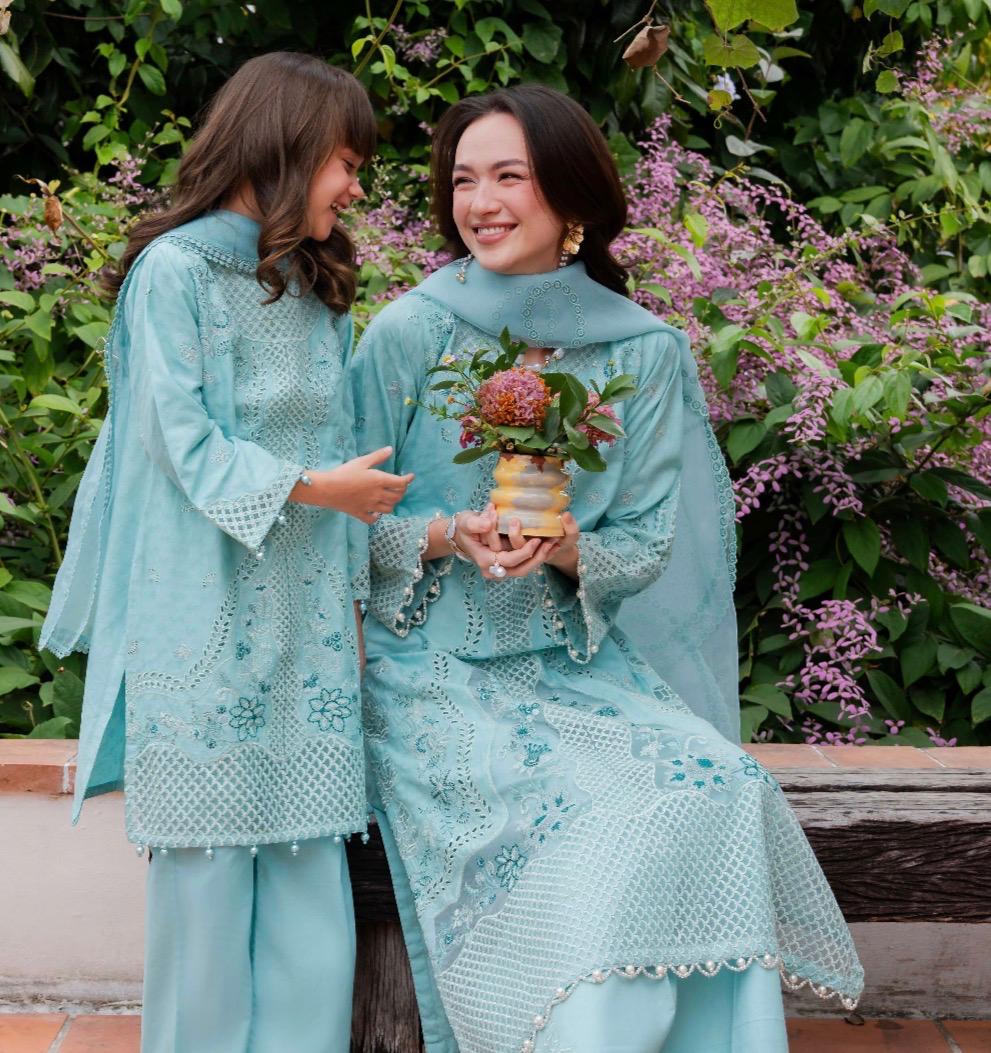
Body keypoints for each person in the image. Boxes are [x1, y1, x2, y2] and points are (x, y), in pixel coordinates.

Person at [348, 84, 862, 1053]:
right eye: (463, 181)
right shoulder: (408, 334)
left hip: (577, 670)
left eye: (509, 176)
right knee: (587, 818)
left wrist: (566, 546)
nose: (480, 203)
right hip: (428, 675)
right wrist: (447, 534)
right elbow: (339, 524)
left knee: (714, 785)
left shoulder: (645, 354)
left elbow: (645, 540)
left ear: (571, 196)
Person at [40, 52, 411, 1053]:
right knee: (203, 897)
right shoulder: (174, 275)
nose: (355, 187)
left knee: (310, 900)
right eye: (345, 163)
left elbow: (337, 442)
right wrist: (319, 488)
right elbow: (182, 443)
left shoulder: (314, 286)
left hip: (306, 622)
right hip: (200, 612)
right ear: (287, 147)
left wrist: (355, 575)